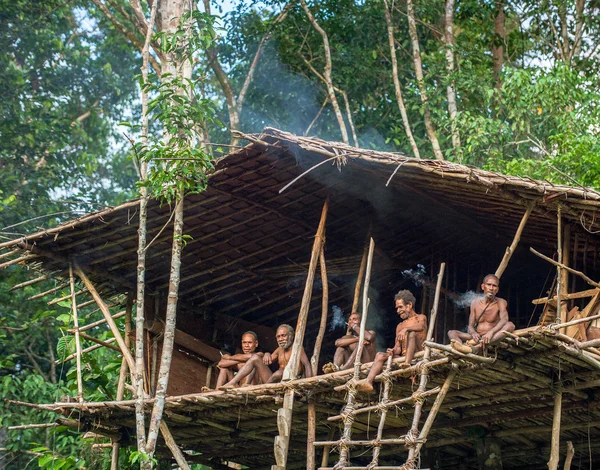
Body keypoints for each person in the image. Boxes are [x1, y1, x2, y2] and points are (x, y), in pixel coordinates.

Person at [356, 290, 427, 393]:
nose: (398, 311)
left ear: (409, 305)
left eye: (400, 307)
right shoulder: (400, 326)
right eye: (397, 308)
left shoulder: (420, 318)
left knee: (412, 334)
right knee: (380, 355)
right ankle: (368, 381)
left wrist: (407, 329)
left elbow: (420, 327)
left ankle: (408, 363)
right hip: (402, 358)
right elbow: (398, 347)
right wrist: (393, 350)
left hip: (418, 355)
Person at [219, 324, 313, 389]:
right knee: (255, 359)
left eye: (283, 336)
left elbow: (307, 365)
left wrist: (309, 385)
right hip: (274, 382)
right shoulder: (279, 349)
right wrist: (267, 353)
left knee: (278, 373)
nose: (280, 339)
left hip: (291, 382)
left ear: (291, 336)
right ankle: (231, 383)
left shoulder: (298, 349)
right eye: (278, 336)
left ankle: (259, 388)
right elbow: (266, 361)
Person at [448, 274, 515, 354]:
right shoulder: (475, 303)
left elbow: (504, 319)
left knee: (510, 325)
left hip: (493, 336)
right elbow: (470, 326)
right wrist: (473, 333)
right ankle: (461, 349)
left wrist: (491, 332)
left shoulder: (501, 302)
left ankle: (479, 347)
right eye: (489, 285)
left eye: (494, 286)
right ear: (483, 287)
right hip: (478, 336)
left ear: (497, 289)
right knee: (451, 333)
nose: (491, 288)